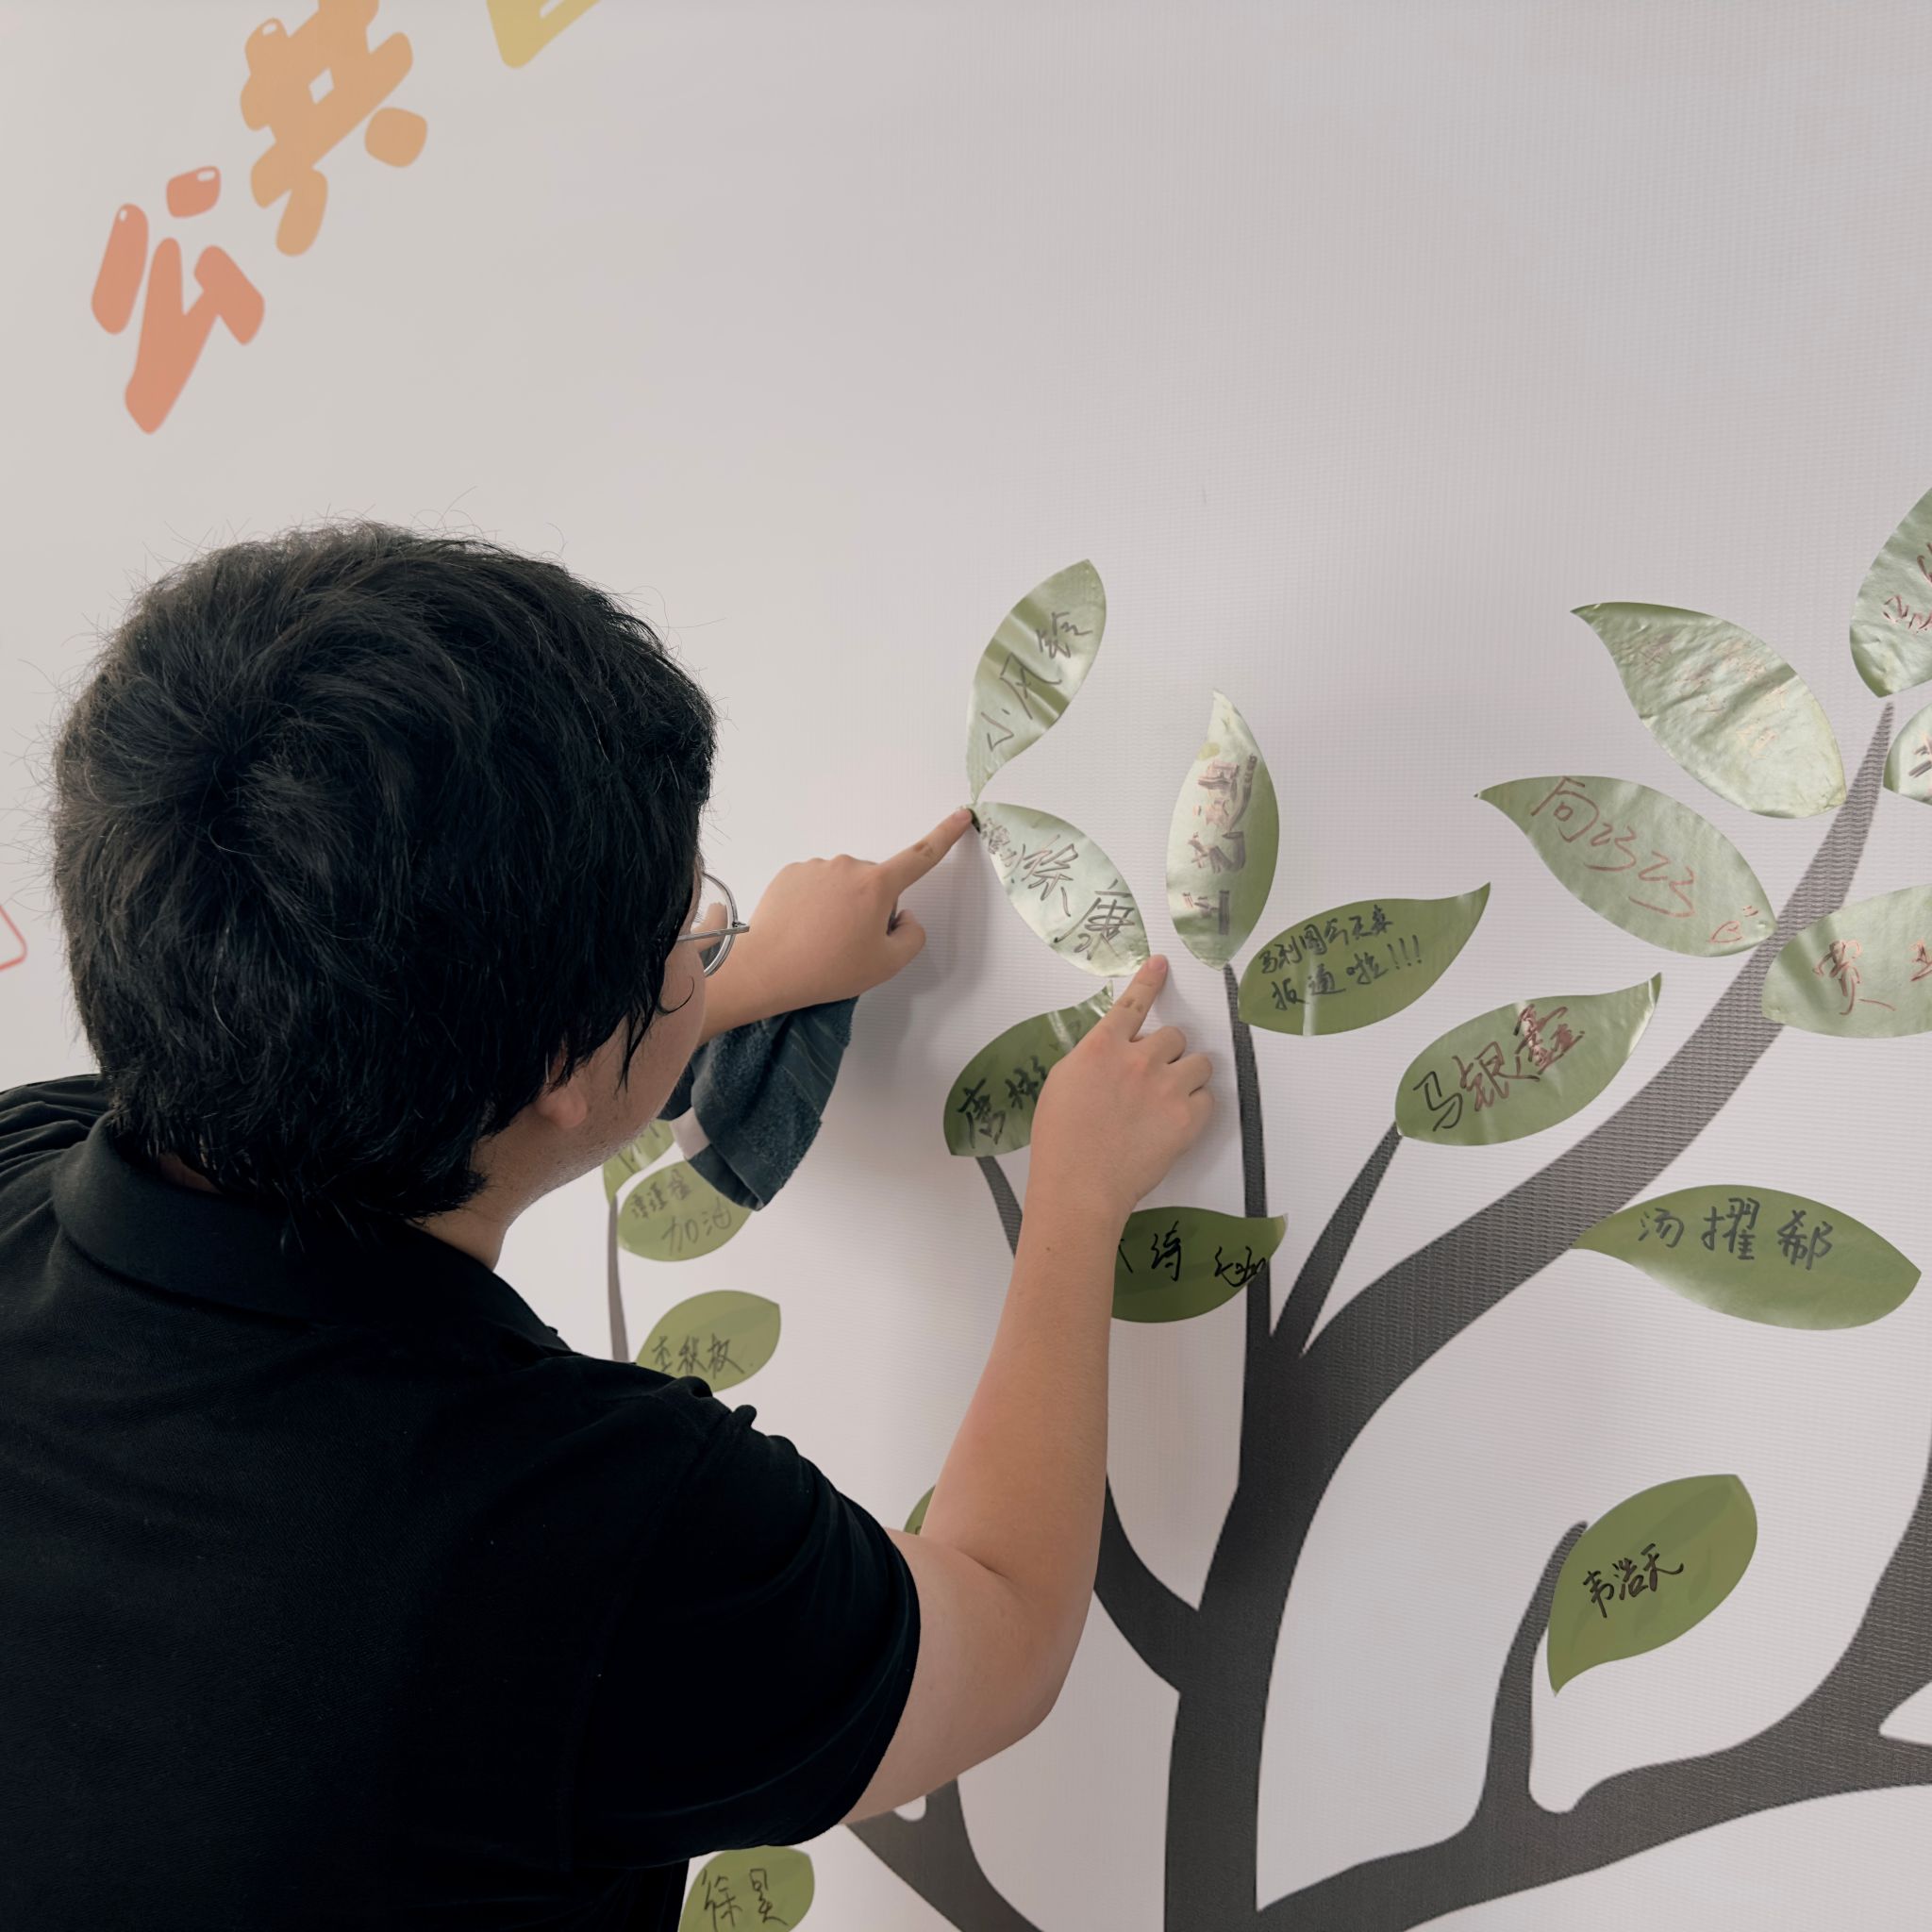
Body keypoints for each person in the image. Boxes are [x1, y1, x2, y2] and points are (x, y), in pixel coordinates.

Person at [0, 522, 1212, 1929]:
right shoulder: (589, 1531)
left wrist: (711, 989)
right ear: (563, 1065)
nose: (703, 941)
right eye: (685, 925)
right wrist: (1074, 1199)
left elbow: (336, 1072)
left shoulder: (29, 1157)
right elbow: (1000, 1626)